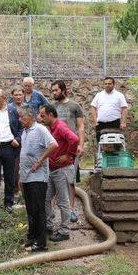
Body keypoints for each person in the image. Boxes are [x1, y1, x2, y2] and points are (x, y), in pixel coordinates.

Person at [18, 105, 58, 252]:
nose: (19, 119)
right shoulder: (24, 132)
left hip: (38, 177)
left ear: (30, 116)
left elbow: (54, 145)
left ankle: (41, 243)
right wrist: (20, 176)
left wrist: (40, 160)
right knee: (30, 209)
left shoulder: (40, 129)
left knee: (38, 209)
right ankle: (32, 237)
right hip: (26, 176)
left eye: (22, 116)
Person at [39, 105, 79, 242]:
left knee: (63, 202)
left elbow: (74, 139)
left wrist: (69, 155)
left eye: (43, 115)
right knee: (46, 198)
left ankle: (64, 231)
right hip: (52, 169)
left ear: (51, 115)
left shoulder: (60, 127)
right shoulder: (51, 128)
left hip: (62, 169)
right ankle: (48, 225)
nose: (41, 118)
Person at [51, 80, 85, 222]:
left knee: (70, 181)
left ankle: (71, 210)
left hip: (71, 147)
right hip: (55, 148)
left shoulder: (75, 106)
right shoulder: (51, 107)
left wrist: (81, 145)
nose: (54, 93)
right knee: (51, 179)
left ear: (64, 90)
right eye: (52, 90)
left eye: (56, 90)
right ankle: (51, 210)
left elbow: (81, 127)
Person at [90, 77, 129, 142]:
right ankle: (102, 152)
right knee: (100, 143)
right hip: (100, 124)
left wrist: (123, 122)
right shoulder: (99, 95)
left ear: (113, 84)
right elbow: (93, 107)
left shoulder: (119, 95)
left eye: (109, 83)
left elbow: (124, 109)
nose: (107, 85)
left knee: (116, 143)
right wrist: (95, 121)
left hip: (115, 123)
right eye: (105, 84)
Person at [11, 86, 25, 200]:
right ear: (12, 96)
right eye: (16, 95)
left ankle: (25, 192)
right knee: (14, 169)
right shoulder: (9, 108)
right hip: (13, 143)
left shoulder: (28, 108)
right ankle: (15, 191)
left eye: (20, 94)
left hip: (26, 142)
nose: (18, 97)